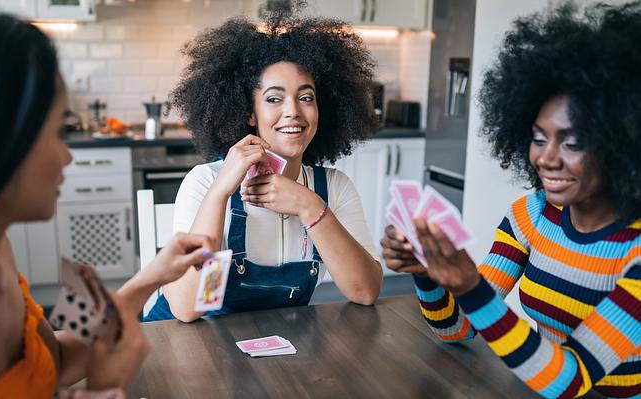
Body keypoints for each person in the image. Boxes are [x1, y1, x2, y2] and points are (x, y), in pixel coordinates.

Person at [0, 5, 213, 398]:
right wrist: (106, 388)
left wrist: (151, 277)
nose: (68, 156)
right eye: (58, 131)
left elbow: (55, 361)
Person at [381, 2, 641, 398]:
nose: (546, 158)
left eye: (572, 143)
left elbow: (568, 379)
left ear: (622, 145)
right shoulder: (531, 215)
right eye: (538, 138)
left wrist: (470, 285)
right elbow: (456, 329)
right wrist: (427, 272)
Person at [144, 12, 384, 322]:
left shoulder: (333, 188)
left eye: (306, 97)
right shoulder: (206, 182)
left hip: (274, 349)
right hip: (185, 344)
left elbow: (365, 292)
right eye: (274, 99)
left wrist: (310, 207)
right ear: (249, 115)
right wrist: (219, 196)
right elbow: (191, 308)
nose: (293, 112)